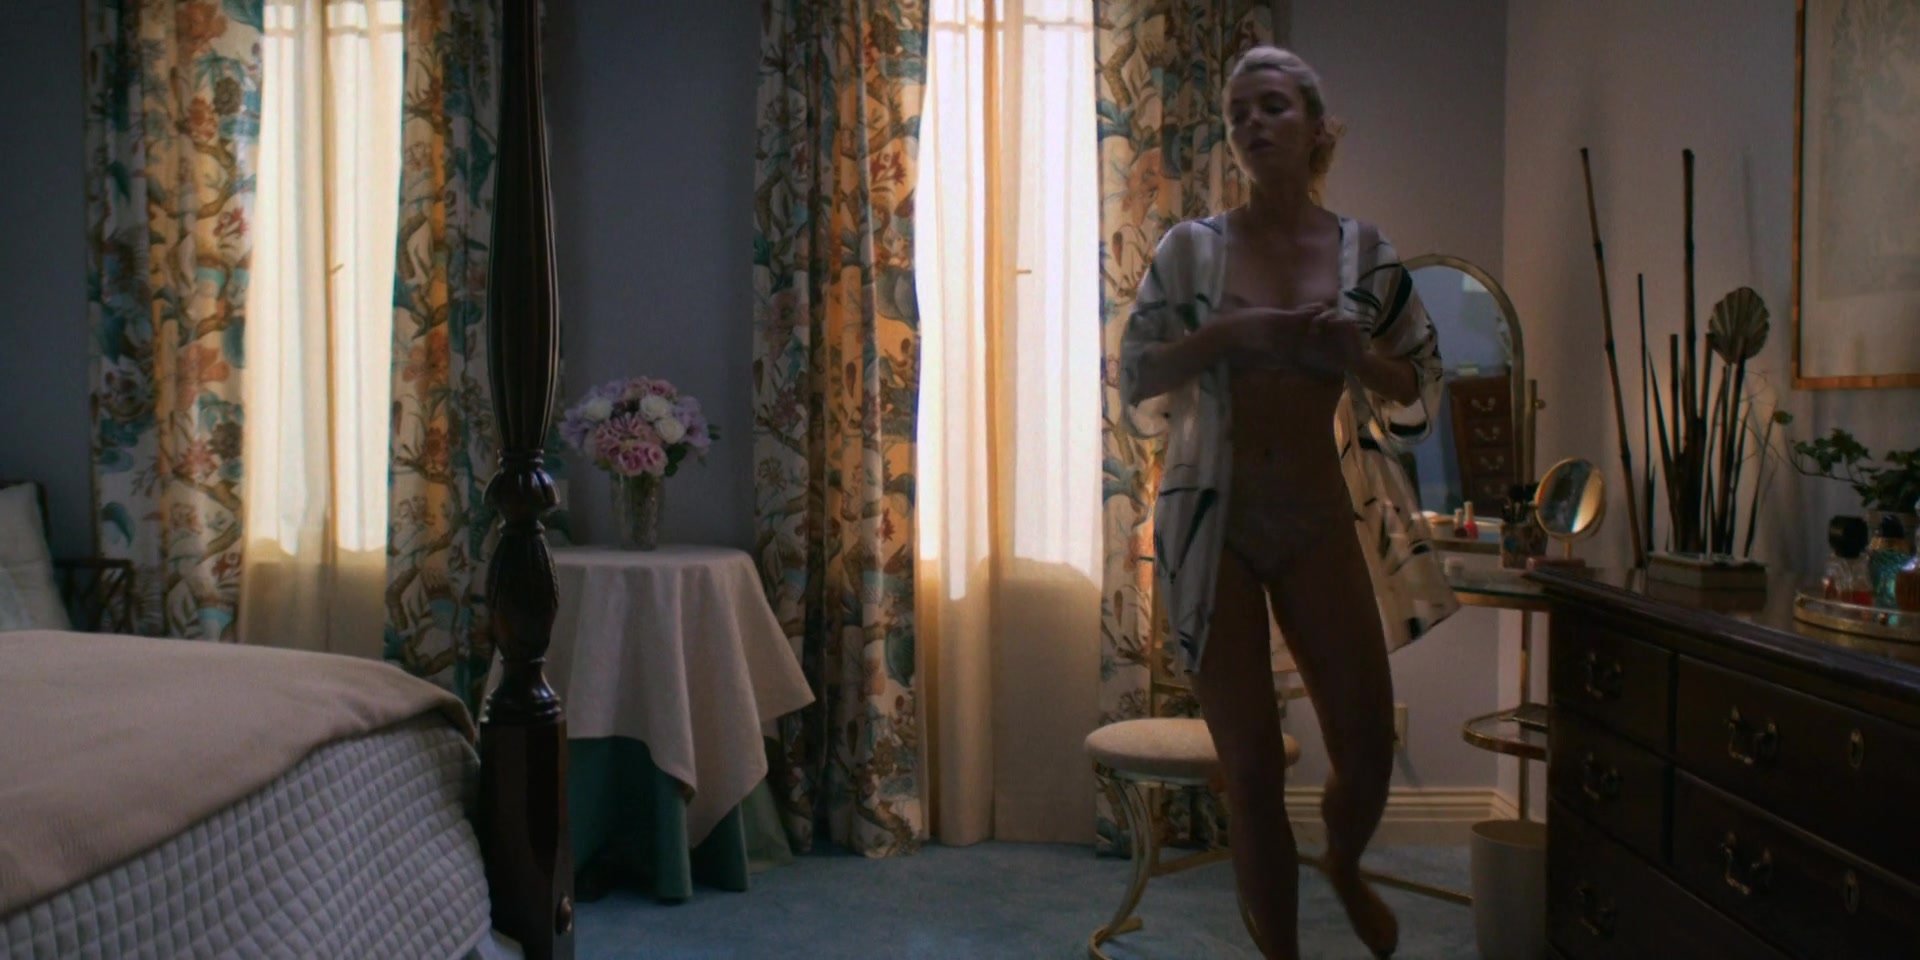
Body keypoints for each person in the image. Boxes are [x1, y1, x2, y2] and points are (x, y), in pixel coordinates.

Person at [1118, 46, 1460, 959]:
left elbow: (1417, 380)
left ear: (1316, 128)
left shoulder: (1364, 251)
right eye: (1238, 114)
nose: (1252, 124)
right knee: (1254, 768)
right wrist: (1230, 333)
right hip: (1213, 526)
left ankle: (1343, 863)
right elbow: (1137, 373)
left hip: (1316, 518)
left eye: (1272, 106)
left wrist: (1357, 356)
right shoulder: (1192, 250)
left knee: (1366, 745)